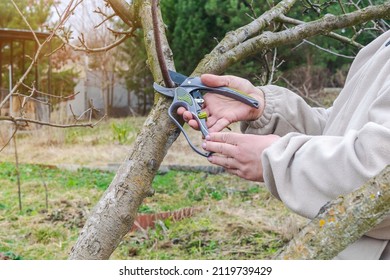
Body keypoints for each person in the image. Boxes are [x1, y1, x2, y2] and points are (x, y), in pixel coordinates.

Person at [177, 30, 390, 259]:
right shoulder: (381, 44)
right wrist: (265, 110)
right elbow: (339, 129)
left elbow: (380, 173)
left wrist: (279, 158)